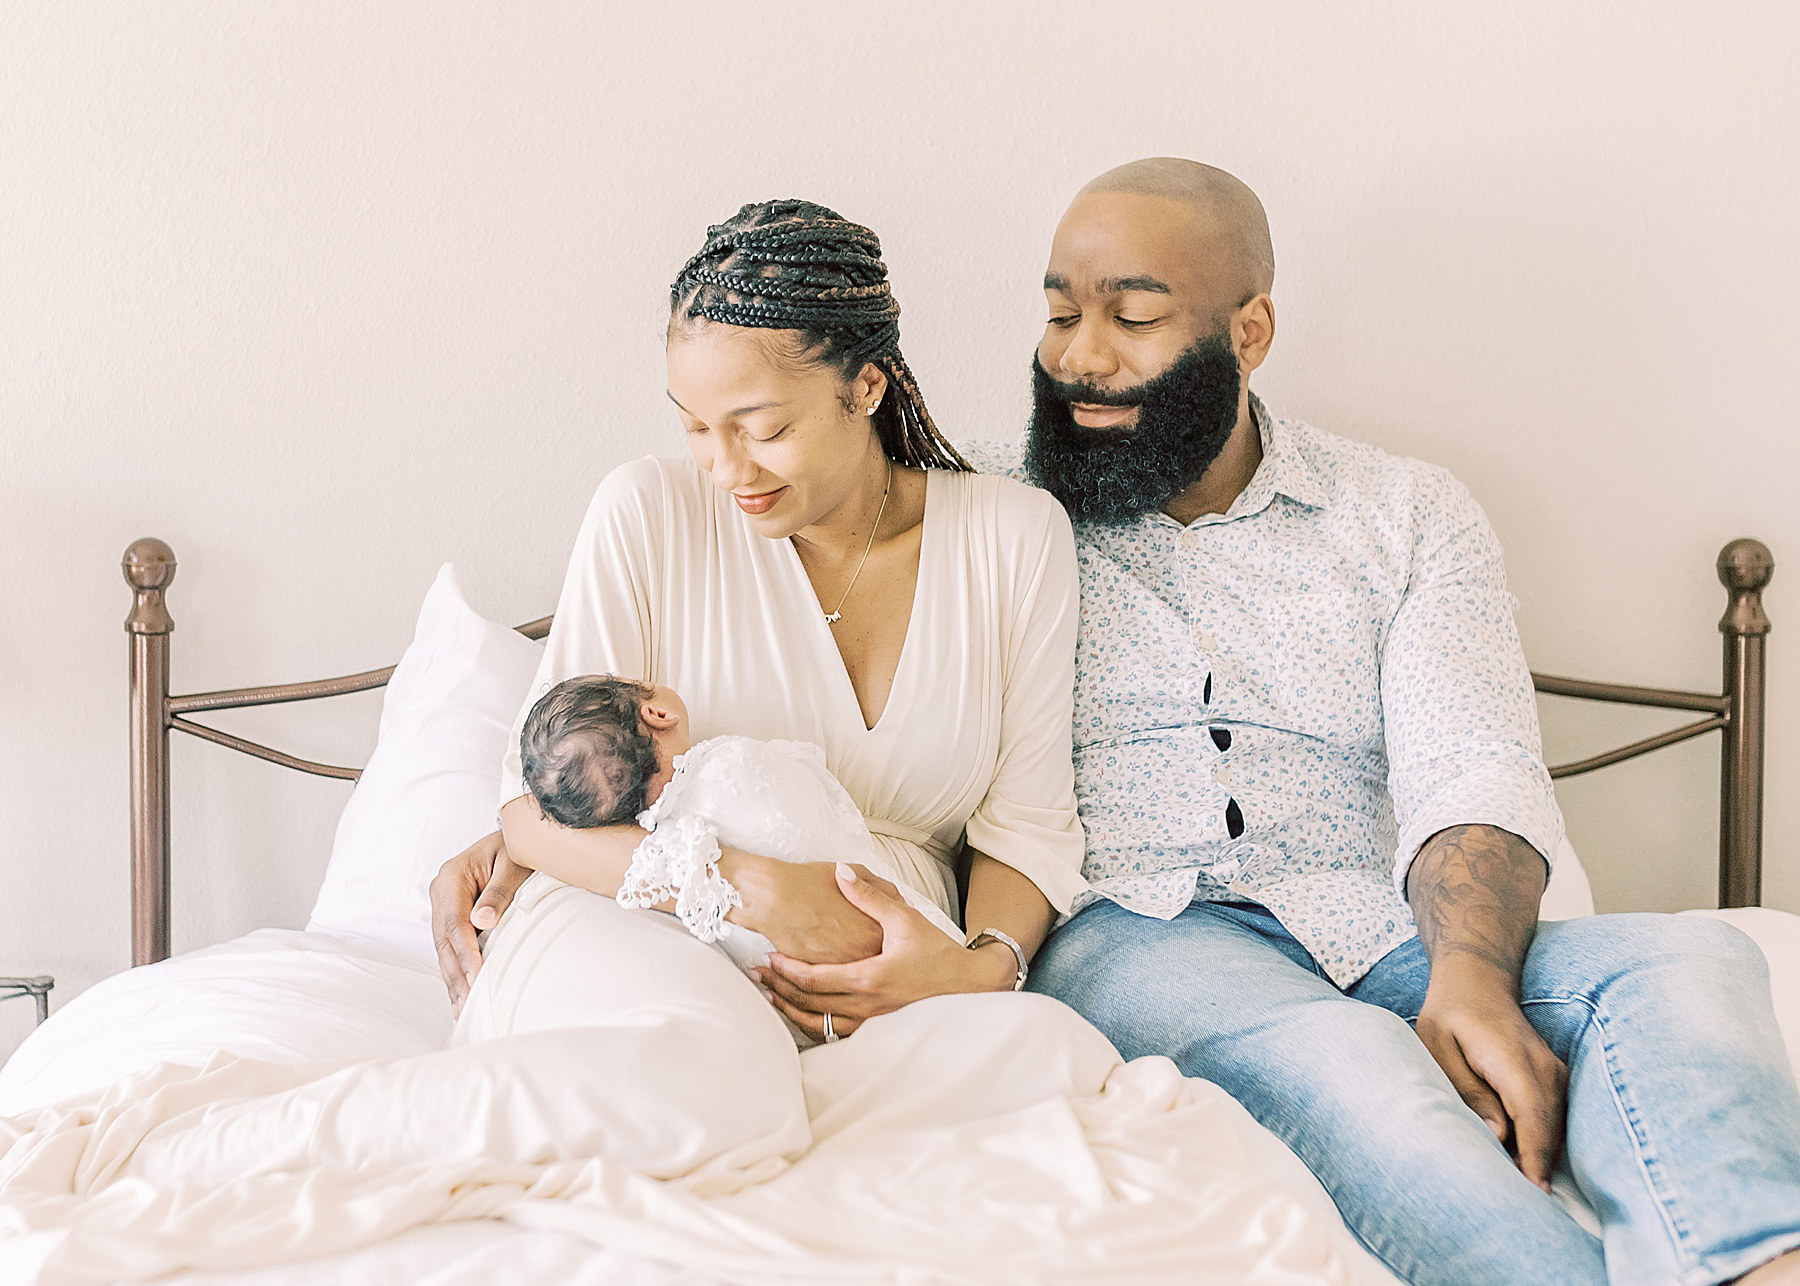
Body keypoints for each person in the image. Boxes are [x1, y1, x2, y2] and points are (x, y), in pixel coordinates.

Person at [438, 162, 1800, 1286]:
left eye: (1130, 317)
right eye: (1056, 313)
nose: (1078, 358)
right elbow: (606, 740)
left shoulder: (1407, 513)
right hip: (1150, 928)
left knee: (1690, 964)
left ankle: (1747, 1258)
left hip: (1378, 911)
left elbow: (1473, 760)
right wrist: (518, 829)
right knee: (1355, 1075)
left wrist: (1476, 970)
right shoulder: (1011, 514)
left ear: (1247, 333)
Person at [516, 672, 965, 994]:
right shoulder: (734, 763)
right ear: (658, 712)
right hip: (901, 923)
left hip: (799, 997)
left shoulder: (658, 853)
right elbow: (814, 791)